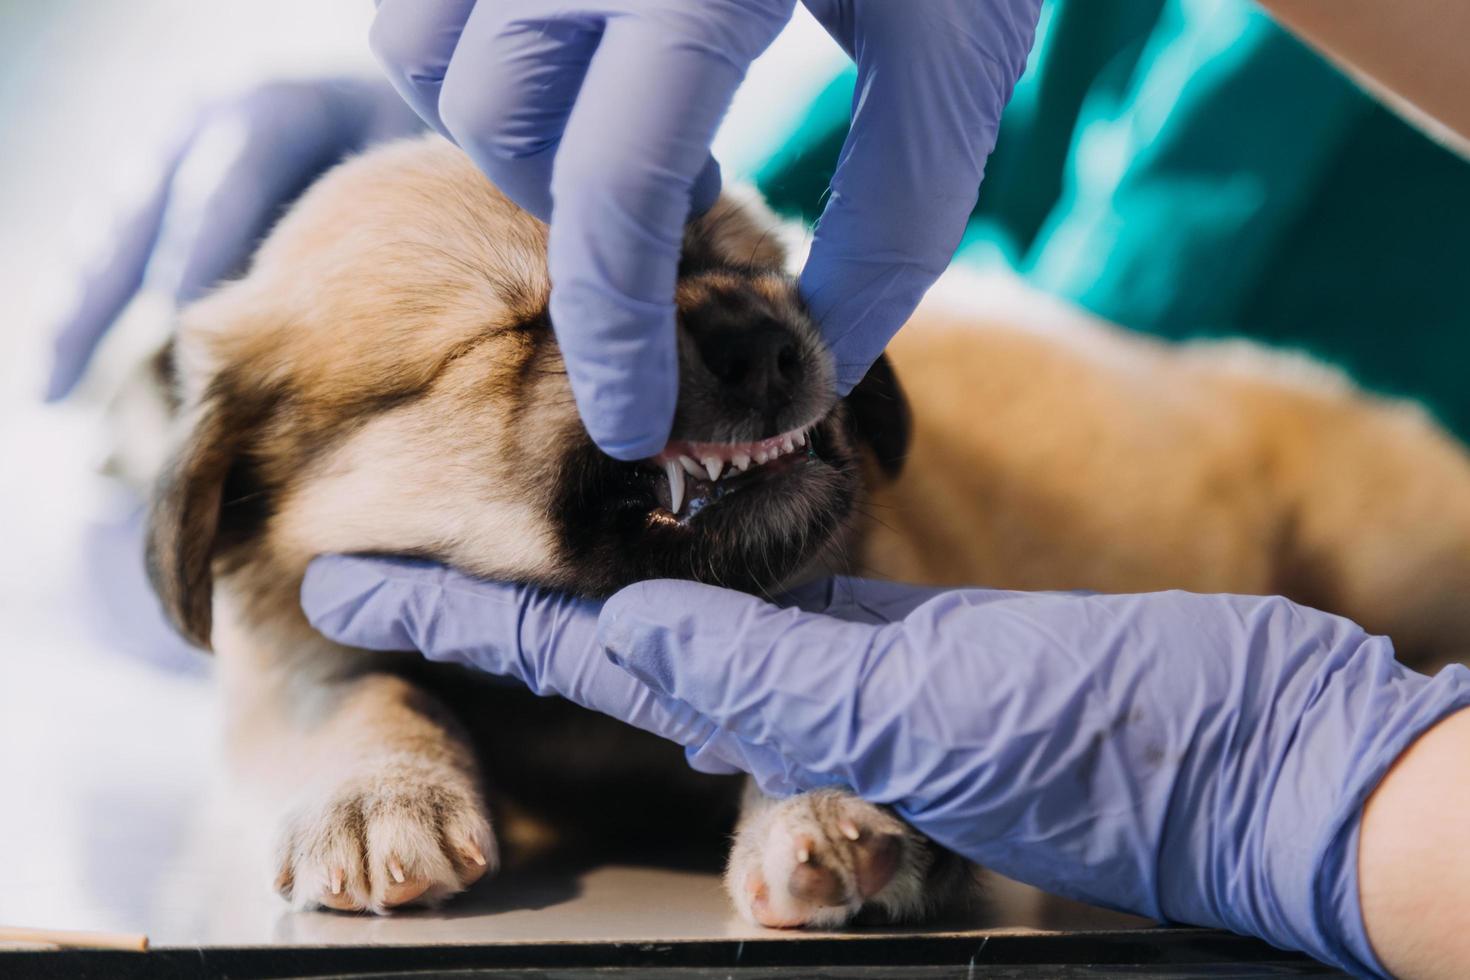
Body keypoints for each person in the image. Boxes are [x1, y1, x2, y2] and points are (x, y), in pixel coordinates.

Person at [47, 3, 1470, 977]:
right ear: (237, 491)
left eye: (729, 272)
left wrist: (1319, 789)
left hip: (1283, 488)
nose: (738, 331)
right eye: (525, 333)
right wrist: (339, 717)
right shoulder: (268, 484)